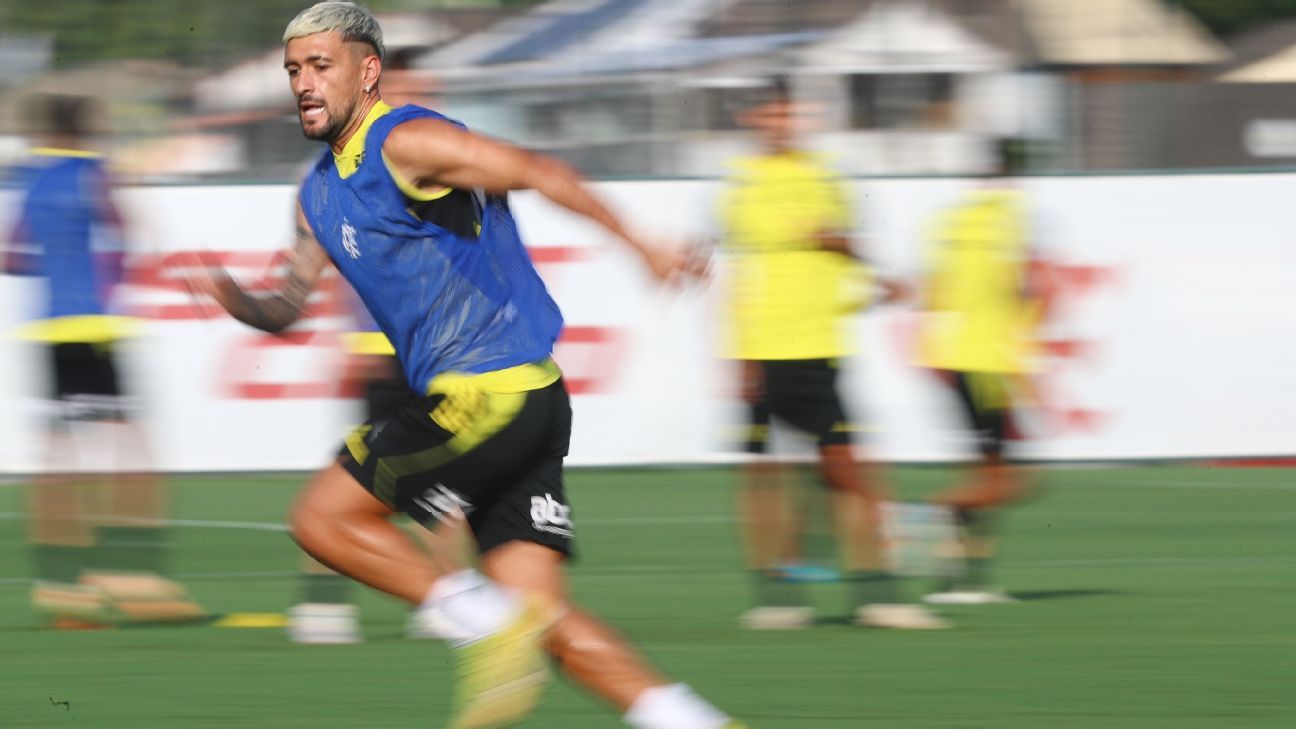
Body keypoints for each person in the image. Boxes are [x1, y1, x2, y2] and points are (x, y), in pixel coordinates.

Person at [190, 4, 741, 728]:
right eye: (293, 69)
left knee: (321, 519)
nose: (303, 82)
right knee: (542, 619)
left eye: (320, 65)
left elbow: (537, 170)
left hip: (490, 394)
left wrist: (645, 246)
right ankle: (691, 719)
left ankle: (483, 626)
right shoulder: (318, 193)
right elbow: (290, 303)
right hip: (530, 401)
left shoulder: (411, 142)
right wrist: (234, 297)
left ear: (369, 70)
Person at [717, 78, 947, 631]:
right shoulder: (743, 185)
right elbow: (801, 245)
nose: (782, 125)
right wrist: (738, 359)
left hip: (820, 345)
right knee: (770, 475)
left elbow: (835, 241)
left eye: (789, 115)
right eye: (770, 115)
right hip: (765, 346)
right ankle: (778, 597)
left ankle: (874, 594)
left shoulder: (825, 174)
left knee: (845, 470)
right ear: (752, 120)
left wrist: (876, 278)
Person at [3, 93, 205, 627]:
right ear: (83, 131)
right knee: (135, 453)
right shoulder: (93, 171)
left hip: (48, 330)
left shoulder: (31, 179)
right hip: (95, 327)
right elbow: (126, 230)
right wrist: (110, 276)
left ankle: (62, 591)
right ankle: (138, 581)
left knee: (57, 461)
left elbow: (11, 253)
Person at [915, 139, 1043, 604]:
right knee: (1011, 480)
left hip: (954, 356)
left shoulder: (951, 219)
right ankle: (929, 514)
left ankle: (965, 580)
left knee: (986, 470)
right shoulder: (1013, 216)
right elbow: (1020, 285)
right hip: (991, 361)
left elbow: (933, 290)